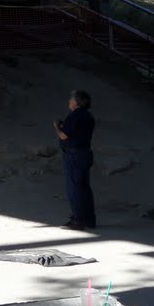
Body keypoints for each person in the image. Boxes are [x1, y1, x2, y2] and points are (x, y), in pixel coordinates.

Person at [53, 89, 96, 230]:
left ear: (77, 102)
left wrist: (57, 127)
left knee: (74, 188)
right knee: (84, 187)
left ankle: (78, 220)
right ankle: (89, 219)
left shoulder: (75, 116)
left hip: (74, 155)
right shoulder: (88, 116)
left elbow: (64, 136)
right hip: (85, 153)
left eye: (71, 100)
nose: (69, 102)